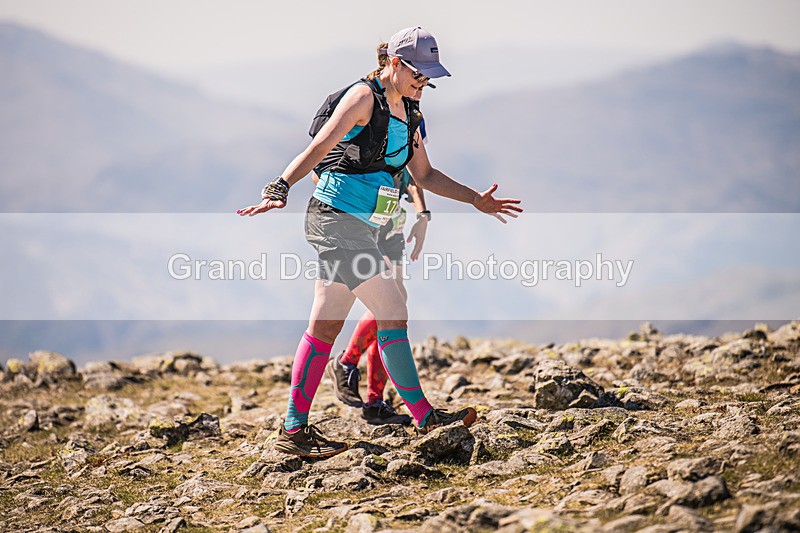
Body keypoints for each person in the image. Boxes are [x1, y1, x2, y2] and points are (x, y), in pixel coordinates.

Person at [238, 26, 522, 458]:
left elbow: (424, 174)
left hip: (369, 225)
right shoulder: (362, 98)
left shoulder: (411, 113)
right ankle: (426, 419)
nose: (423, 83)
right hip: (336, 221)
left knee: (324, 326)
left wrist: (475, 200)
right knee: (392, 308)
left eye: (429, 77)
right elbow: (319, 148)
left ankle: (293, 432)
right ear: (395, 62)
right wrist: (279, 187)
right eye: (418, 73)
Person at [326, 124, 430, 427]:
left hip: (392, 229)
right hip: (367, 228)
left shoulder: (411, 115)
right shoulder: (371, 116)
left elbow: (414, 174)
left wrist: (423, 214)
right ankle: (347, 364)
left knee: (391, 309)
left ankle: (374, 401)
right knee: (388, 307)